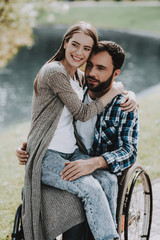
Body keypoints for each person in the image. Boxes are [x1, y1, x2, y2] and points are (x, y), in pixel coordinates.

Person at [17, 39, 139, 240]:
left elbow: (130, 151)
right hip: (64, 160)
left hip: (95, 166)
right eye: (89, 65)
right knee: (82, 195)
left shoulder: (123, 105)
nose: (92, 73)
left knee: (106, 182)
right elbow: (51, 124)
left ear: (115, 73)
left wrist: (95, 162)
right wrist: (26, 146)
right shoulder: (76, 92)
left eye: (101, 68)